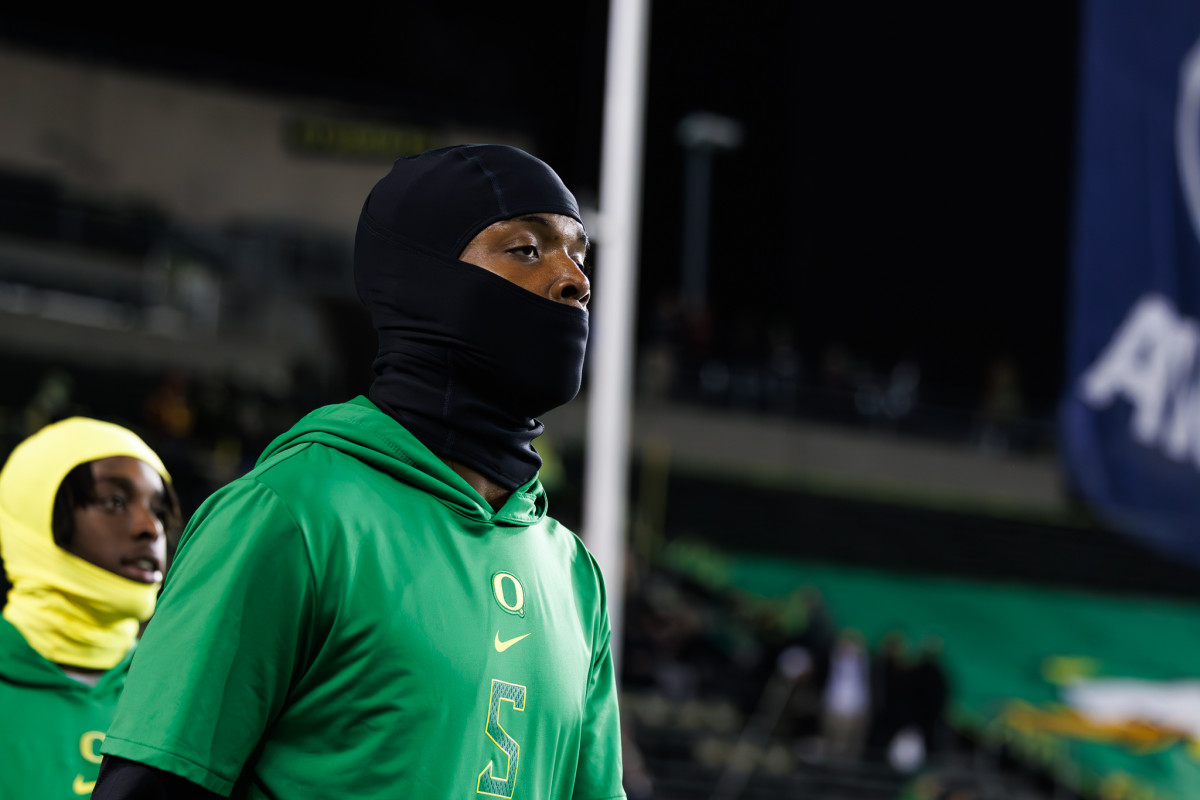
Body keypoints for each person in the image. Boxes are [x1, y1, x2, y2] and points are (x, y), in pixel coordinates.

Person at [92, 144, 626, 799]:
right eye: (525, 249)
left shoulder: (574, 576)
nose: (574, 279)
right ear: (422, 278)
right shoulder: (290, 512)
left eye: (578, 252)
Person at [0, 416, 179, 799]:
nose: (151, 528)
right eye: (114, 501)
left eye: (159, 510)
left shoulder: (181, 695)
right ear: (34, 516)